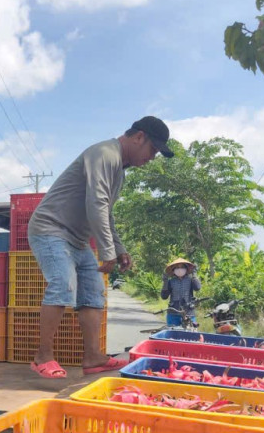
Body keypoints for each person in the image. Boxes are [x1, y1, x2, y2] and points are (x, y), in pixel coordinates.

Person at [27, 116, 174, 378]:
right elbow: (96, 203)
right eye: (153, 149)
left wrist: (118, 248)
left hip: (77, 239)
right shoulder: (105, 154)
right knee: (63, 284)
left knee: (94, 293)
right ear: (139, 137)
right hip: (51, 229)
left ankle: (93, 357)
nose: (152, 157)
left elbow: (106, 212)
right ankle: (43, 357)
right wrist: (107, 252)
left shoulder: (118, 170)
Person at [160, 258, 200, 327]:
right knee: (173, 332)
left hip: (189, 313)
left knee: (190, 332)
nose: (179, 269)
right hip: (173, 313)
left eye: (182, 267)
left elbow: (197, 287)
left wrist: (194, 274)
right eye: (177, 268)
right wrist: (165, 281)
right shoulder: (171, 282)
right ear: (174, 270)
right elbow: (164, 296)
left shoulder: (191, 280)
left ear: (186, 269)